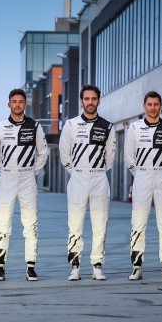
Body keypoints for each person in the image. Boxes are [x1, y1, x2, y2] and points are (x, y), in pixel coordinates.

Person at [0, 88, 48, 282]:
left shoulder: (35, 126)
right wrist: (4, 171)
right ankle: (0, 267)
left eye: (21, 101)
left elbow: (42, 153)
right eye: (14, 101)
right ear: (9, 104)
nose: (17, 105)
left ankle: (30, 267)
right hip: (7, 179)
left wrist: (33, 171)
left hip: (27, 179)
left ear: (25, 104)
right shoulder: (0, 126)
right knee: (3, 224)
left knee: (31, 224)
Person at [59, 84, 116, 281]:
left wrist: (96, 171)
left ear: (98, 101)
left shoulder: (108, 127)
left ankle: (97, 266)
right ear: (82, 101)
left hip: (99, 177)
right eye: (87, 99)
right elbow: (64, 154)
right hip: (78, 178)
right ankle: (75, 267)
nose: (90, 102)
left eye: (93, 99)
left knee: (100, 224)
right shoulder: (71, 125)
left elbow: (110, 157)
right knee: (75, 224)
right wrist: (76, 173)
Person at [125, 91, 162, 281]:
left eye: (156, 104)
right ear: (144, 106)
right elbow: (128, 157)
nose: (153, 107)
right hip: (142, 177)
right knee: (138, 224)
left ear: (161, 106)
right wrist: (141, 174)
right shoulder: (134, 128)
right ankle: (137, 266)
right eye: (149, 104)